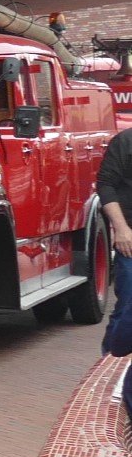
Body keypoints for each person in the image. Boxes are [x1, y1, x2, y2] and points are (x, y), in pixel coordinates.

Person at [97, 128, 132, 378]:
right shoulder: (126, 141)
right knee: (130, 307)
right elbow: (106, 185)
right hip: (131, 239)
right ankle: (110, 367)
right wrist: (121, 229)